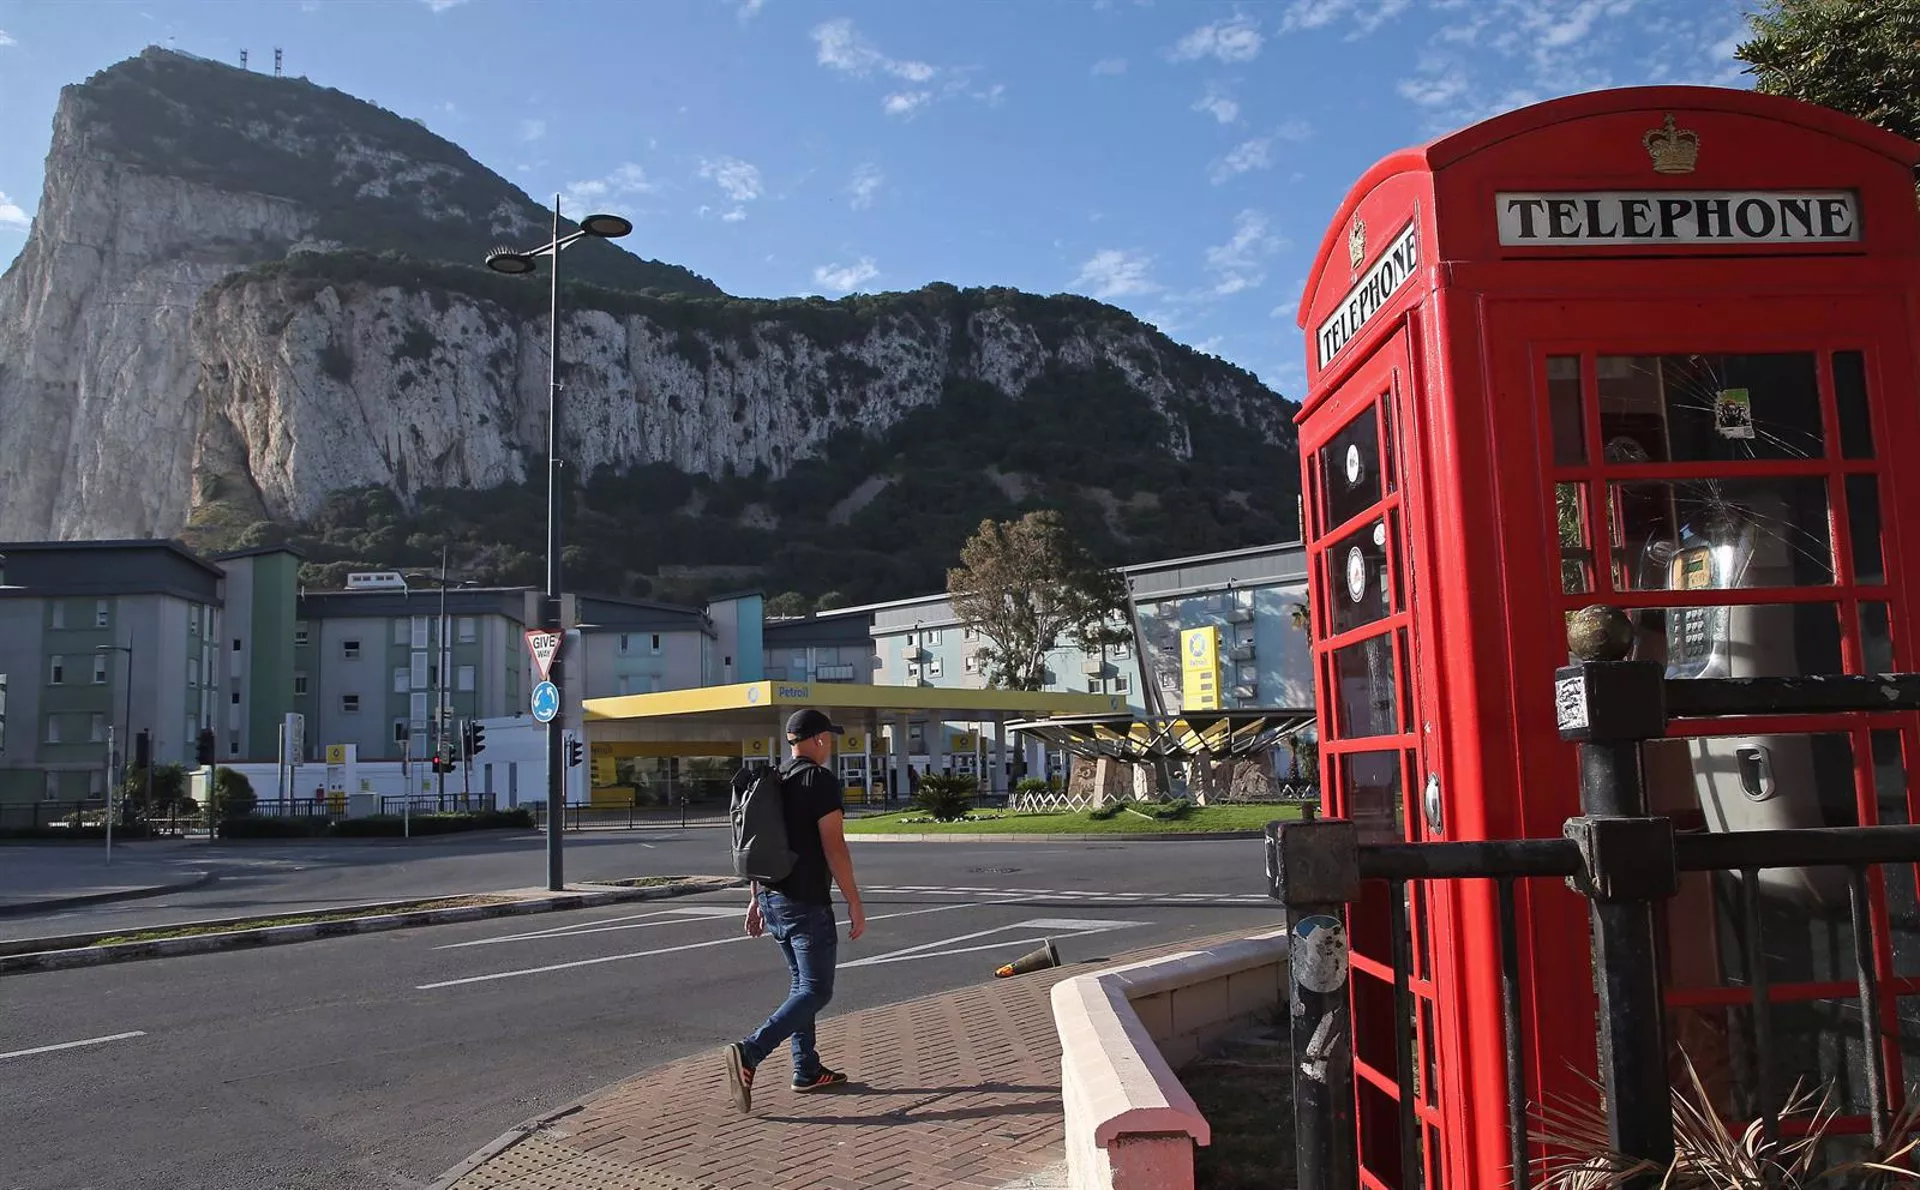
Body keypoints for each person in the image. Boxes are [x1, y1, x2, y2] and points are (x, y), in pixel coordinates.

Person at [724, 708, 867, 1112]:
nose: (831, 745)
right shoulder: (818, 780)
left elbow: (760, 842)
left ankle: (806, 1069)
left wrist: (755, 898)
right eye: (830, 738)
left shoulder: (773, 779)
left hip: (772, 898)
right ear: (819, 739)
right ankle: (750, 1053)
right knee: (816, 990)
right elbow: (834, 847)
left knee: (800, 984)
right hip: (805, 901)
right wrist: (854, 902)